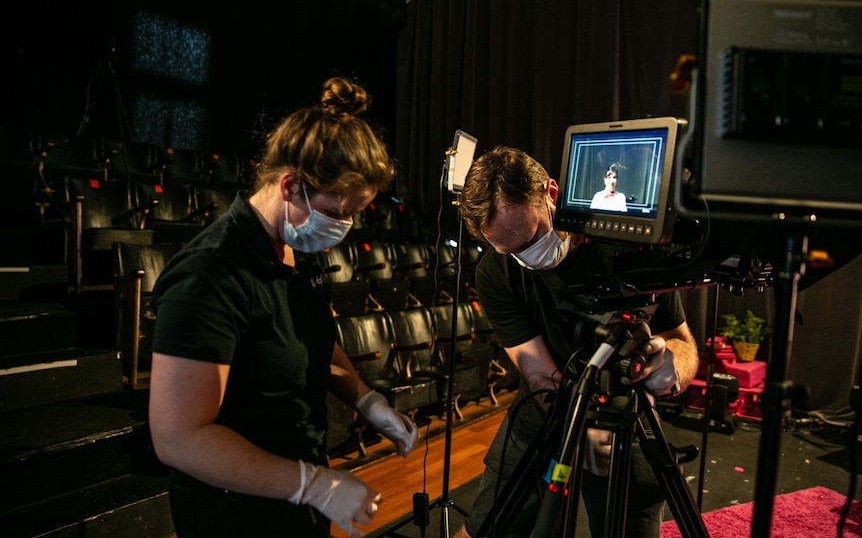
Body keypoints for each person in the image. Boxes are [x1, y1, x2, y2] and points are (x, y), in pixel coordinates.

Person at [148, 76, 419, 538]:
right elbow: (179, 437)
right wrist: (311, 485)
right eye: (340, 212)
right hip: (235, 508)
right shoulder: (210, 274)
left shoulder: (301, 248)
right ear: (291, 186)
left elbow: (312, 341)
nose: (346, 226)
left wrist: (366, 399)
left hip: (296, 485)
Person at [453, 146, 699, 538]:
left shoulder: (626, 241)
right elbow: (538, 374)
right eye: (509, 250)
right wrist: (578, 426)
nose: (527, 257)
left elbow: (680, 339)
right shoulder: (494, 272)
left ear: (551, 193)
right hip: (544, 412)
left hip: (626, 415)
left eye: (531, 237)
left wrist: (673, 368)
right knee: (487, 528)